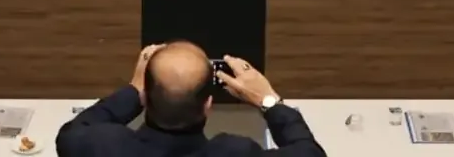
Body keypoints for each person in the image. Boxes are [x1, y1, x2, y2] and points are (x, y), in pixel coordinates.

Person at [55, 42, 324, 157]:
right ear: (208, 105)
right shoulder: (233, 152)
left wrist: (132, 91)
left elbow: (71, 133)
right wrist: (268, 100)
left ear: (146, 97)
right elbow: (310, 154)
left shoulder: (104, 146)